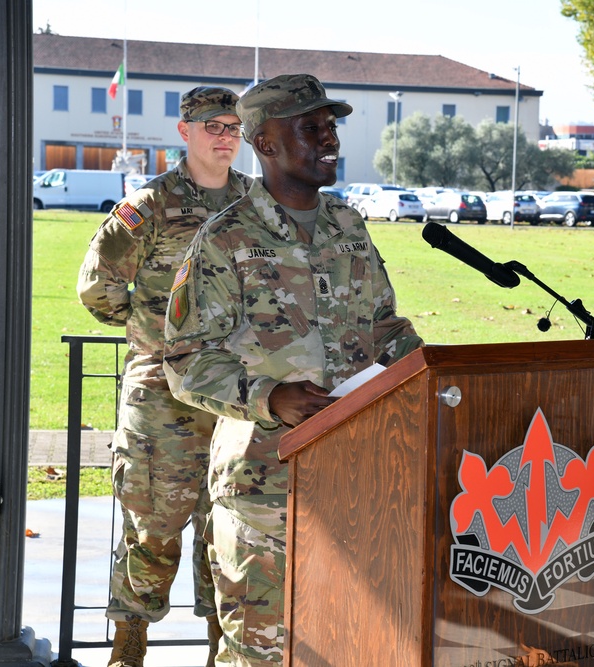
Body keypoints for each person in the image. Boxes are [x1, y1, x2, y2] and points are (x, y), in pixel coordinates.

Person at [162, 73, 423, 665]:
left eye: (331, 126)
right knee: (262, 651)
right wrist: (269, 397)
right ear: (267, 143)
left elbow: (384, 325)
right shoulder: (224, 239)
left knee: (351, 641)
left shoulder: (349, 227)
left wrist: (427, 372)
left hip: (360, 475)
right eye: (311, 127)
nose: (329, 139)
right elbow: (184, 360)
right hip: (265, 485)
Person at [77, 85, 253, 667]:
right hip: (162, 395)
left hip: (234, 394)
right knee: (151, 523)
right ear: (185, 132)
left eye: (233, 126)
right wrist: (154, 334)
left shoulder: (253, 203)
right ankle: (130, 643)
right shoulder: (149, 204)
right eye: (213, 126)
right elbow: (96, 285)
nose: (225, 137)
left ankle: (218, 646)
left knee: (228, 527)